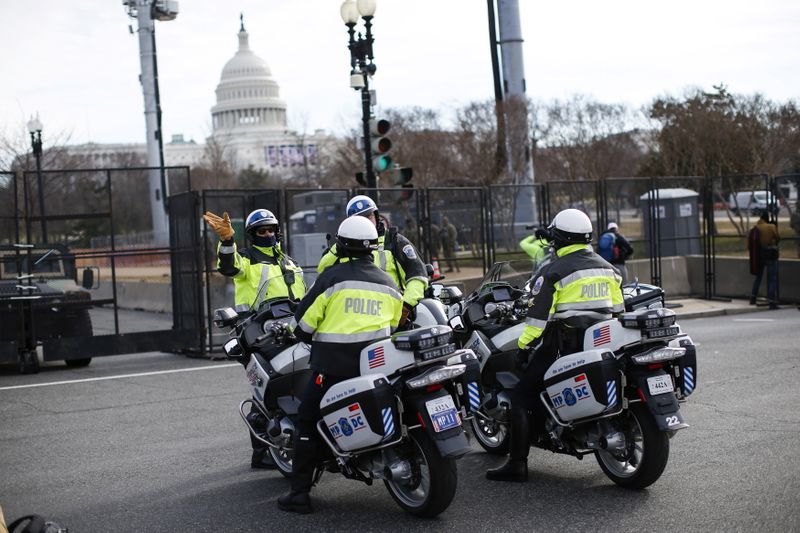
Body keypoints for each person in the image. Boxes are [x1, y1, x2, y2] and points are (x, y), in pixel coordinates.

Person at [486, 209, 624, 482]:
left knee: (521, 395)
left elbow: (537, 320)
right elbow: (618, 309)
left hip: (564, 345)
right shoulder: (609, 269)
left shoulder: (554, 271)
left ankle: (517, 463)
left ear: (559, 238)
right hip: (601, 342)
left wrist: (523, 348)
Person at [278, 216, 403, 514]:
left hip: (333, 369)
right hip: (377, 369)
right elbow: (395, 324)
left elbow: (304, 326)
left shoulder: (331, 278)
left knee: (307, 418)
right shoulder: (389, 283)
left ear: (341, 244)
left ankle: (299, 494)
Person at [203, 208, 306, 469]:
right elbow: (228, 267)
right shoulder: (246, 260)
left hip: (291, 327)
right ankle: (260, 452)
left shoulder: (290, 262)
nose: (268, 234)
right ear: (253, 235)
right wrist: (227, 242)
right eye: (262, 231)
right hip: (256, 330)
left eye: (271, 230)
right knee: (265, 387)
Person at [317, 195, 427, 327]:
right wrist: (339, 246)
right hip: (356, 316)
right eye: (360, 219)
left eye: (369, 217)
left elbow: (417, 275)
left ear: (376, 216)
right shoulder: (344, 247)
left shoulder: (394, 241)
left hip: (394, 314)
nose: (367, 222)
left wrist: (405, 306)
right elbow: (323, 274)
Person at [748, 210, 780, 309]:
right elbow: (778, 238)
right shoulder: (771, 227)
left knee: (758, 277)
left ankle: (753, 297)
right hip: (770, 254)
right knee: (772, 278)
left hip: (759, 254)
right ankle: (771, 301)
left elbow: (749, 245)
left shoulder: (755, 228)